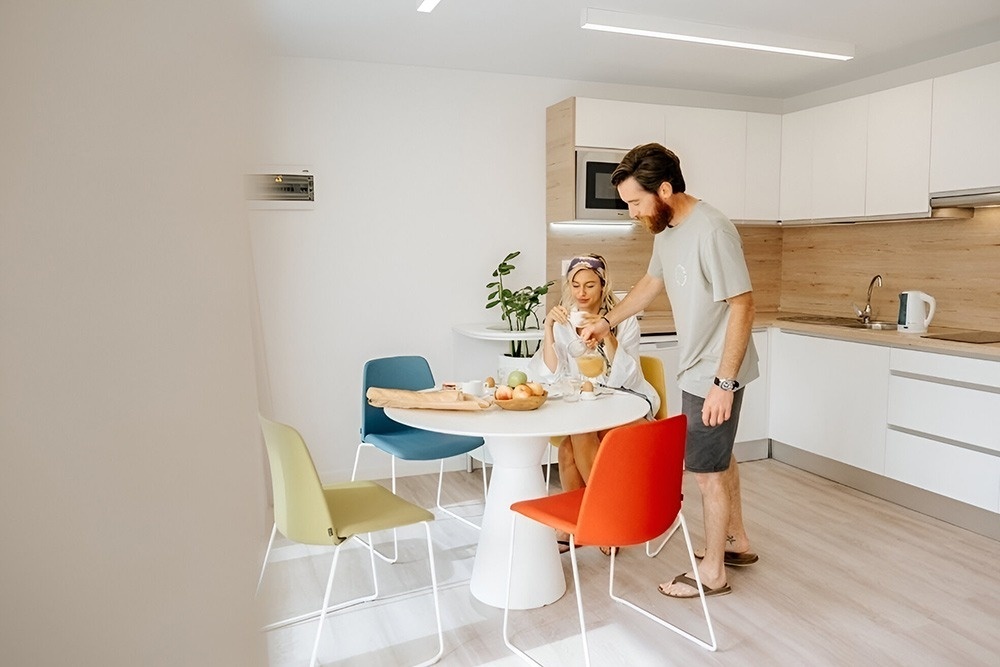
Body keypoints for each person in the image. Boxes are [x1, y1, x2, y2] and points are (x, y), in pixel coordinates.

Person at [580, 143, 759, 598]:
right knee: (718, 457)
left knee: (705, 471)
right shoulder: (666, 229)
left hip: (716, 369)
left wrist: (723, 383)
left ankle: (713, 572)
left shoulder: (712, 230)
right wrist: (606, 321)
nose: (633, 213)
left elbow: (743, 305)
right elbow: (650, 284)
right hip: (698, 365)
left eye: (636, 202)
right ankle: (736, 540)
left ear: (664, 190)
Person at [528, 253, 659, 497]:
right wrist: (548, 327)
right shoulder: (564, 322)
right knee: (567, 450)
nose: (582, 293)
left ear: (602, 285)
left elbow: (627, 378)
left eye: (589, 285)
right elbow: (550, 375)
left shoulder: (624, 319)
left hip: (627, 403)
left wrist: (606, 331)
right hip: (586, 407)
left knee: (577, 438)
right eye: (575, 285)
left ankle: (603, 510)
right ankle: (585, 516)